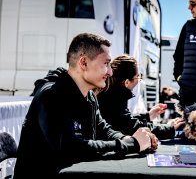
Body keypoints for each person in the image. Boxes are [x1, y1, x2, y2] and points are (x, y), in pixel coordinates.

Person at [13, 33, 157, 179]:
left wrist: (135, 138)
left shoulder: (89, 96)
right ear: (83, 62)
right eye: (106, 64)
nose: (110, 72)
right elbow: (71, 148)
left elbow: (104, 130)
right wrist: (132, 143)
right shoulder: (51, 95)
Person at [97, 54, 185, 140]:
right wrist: (169, 128)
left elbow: (122, 120)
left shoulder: (111, 92)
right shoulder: (115, 98)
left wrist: (148, 116)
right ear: (127, 82)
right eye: (138, 77)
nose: (139, 81)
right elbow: (133, 128)